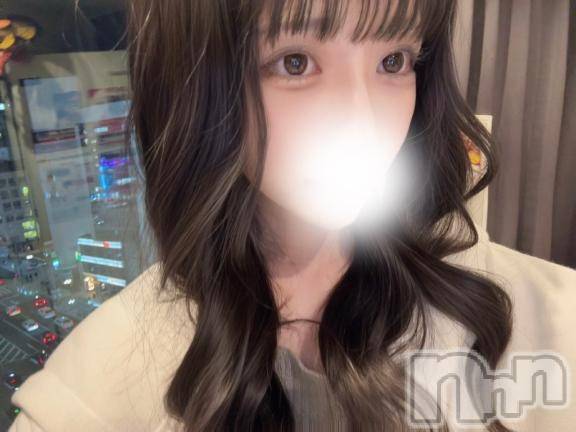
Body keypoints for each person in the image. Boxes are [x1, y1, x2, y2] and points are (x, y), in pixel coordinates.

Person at [8, 0, 576, 431]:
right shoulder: (95, 392)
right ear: (199, 88)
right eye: (295, 61)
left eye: (393, 60)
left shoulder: (544, 314)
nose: (363, 123)